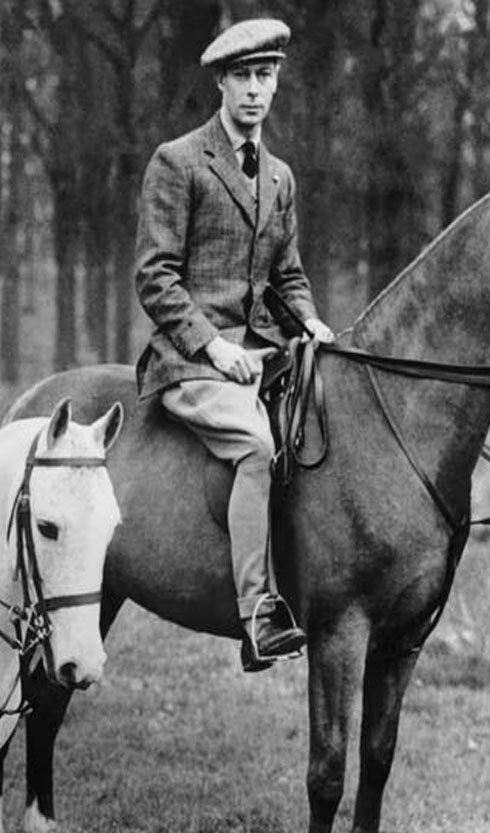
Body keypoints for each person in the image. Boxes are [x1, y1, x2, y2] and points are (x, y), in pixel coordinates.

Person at [134, 18, 335, 672]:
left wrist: (308, 321)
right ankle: (258, 615)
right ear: (221, 82)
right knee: (256, 447)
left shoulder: (279, 177)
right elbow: (154, 275)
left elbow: (287, 274)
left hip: (265, 354)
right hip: (190, 361)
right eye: (243, 76)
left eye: (266, 76)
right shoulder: (179, 161)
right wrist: (211, 347)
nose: (255, 90)